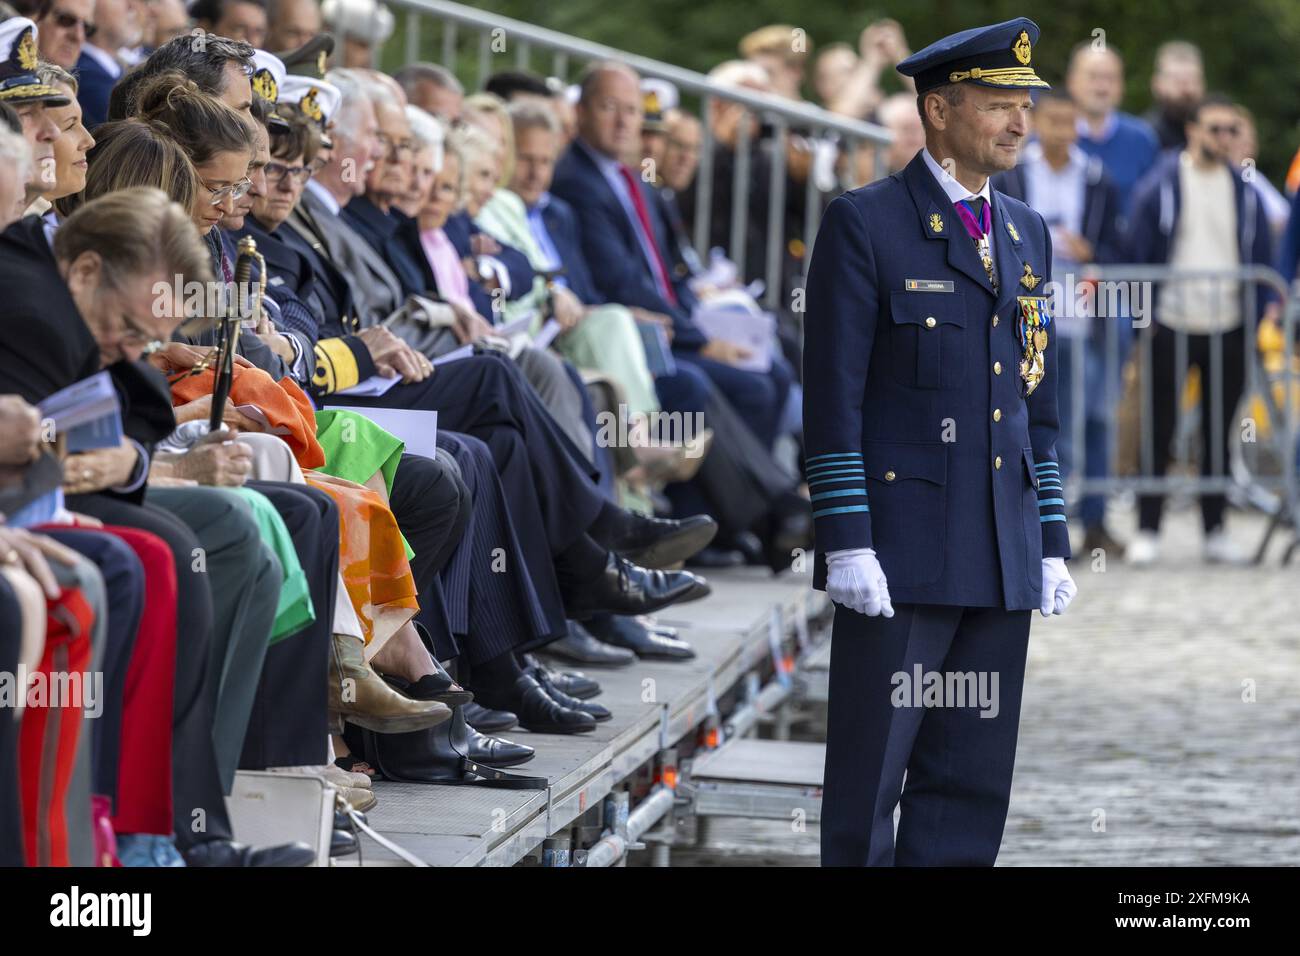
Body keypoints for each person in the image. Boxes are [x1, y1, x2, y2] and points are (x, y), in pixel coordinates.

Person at [804, 17, 1077, 867]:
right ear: (937, 111)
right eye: (998, 104)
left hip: (1000, 550)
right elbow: (831, 402)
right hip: (902, 553)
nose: (1019, 122)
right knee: (870, 784)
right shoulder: (867, 224)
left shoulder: (1027, 234)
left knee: (968, 788)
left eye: (1023, 104)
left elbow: (1040, 406)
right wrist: (848, 541)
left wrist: (1054, 541)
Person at [1124, 94, 1271, 567]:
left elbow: (1262, 253)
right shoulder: (1163, 182)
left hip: (1228, 322)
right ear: (1192, 129)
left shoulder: (1244, 188)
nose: (1224, 138)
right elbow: (1137, 250)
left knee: (1219, 429)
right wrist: (1140, 319)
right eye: (1215, 129)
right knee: (1159, 425)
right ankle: (1148, 527)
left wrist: (1259, 312)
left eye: (1231, 129)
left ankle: (1215, 528)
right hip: (1172, 319)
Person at [993, 88, 1125, 557]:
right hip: (1031, 315)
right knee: (1038, 417)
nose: (1062, 132)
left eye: (1071, 123)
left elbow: (1118, 249)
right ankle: (1042, 519)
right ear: (1036, 122)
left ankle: (1093, 519)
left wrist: (1093, 254)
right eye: (1052, 121)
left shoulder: (1096, 177)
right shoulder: (1013, 174)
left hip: (1085, 316)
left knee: (1093, 416)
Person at [1066, 42, 1159, 217]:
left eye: (1111, 78)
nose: (1102, 87)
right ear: (1072, 81)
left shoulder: (1142, 139)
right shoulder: (1051, 138)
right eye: (1093, 77)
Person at [1143, 40, 1204, 151]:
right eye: (1177, 80)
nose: (1187, 89)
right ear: (1157, 84)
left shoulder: (1215, 134)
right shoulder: (1145, 134)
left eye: (1193, 80)